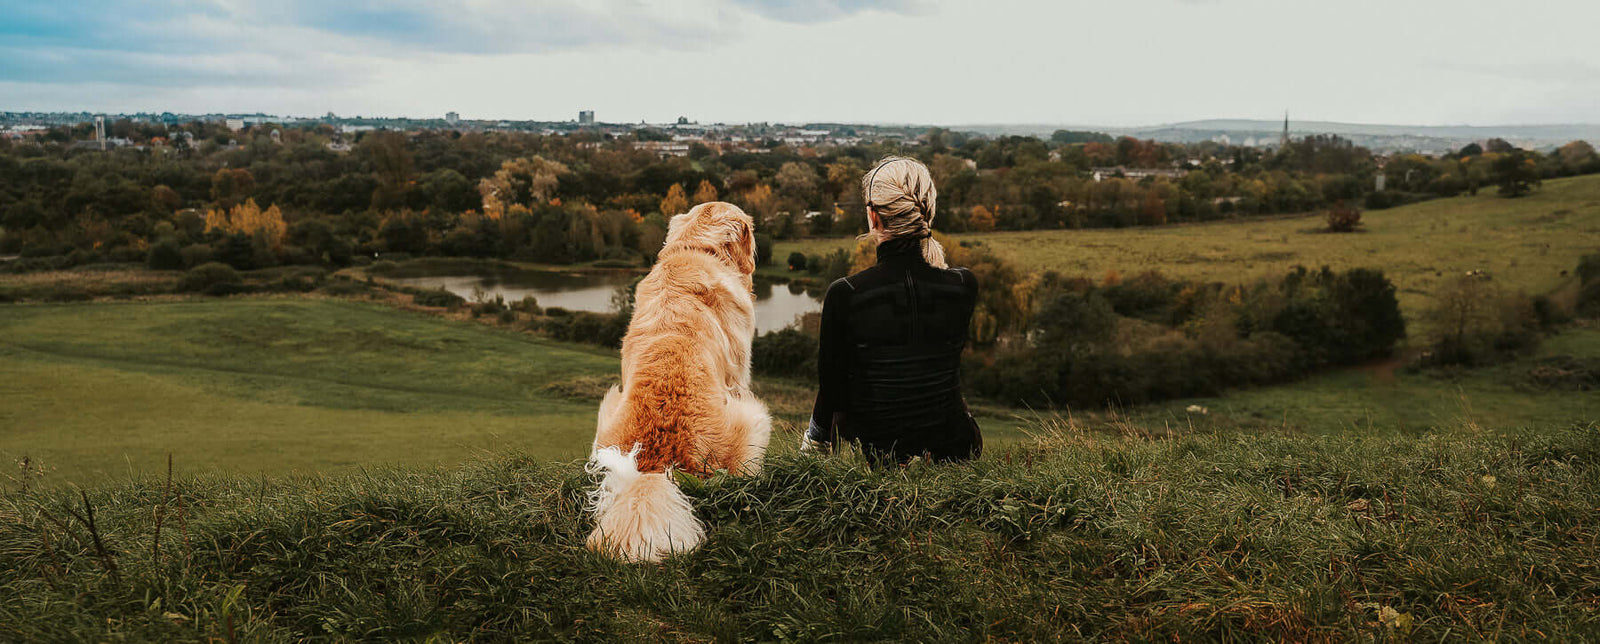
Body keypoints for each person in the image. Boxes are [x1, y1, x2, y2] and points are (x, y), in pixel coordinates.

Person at [803, 156, 982, 463]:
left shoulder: (846, 293)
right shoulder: (963, 284)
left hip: (876, 452)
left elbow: (831, 391)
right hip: (957, 448)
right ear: (927, 211)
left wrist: (813, 445)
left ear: (873, 217)